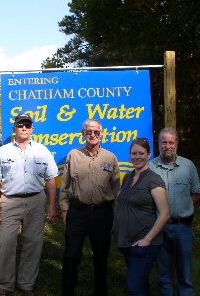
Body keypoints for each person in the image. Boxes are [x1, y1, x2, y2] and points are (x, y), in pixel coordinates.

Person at [0, 113, 58, 296]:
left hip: (36, 200)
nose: (24, 128)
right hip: (10, 202)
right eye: (20, 125)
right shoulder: (3, 152)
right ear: (14, 129)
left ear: (32, 128)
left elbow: (51, 180)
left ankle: (26, 285)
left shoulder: (42, 151)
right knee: (6, 245)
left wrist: (52, 206)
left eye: (27, 125)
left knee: (33, 244)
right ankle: (5, 285)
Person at [60, 119, 121, 296]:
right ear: (83, 133)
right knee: (71, 257)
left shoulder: (110, 158)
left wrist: (115, 217)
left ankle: (100, 292)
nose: (92, 134)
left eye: (96, 131)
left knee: (101, 258)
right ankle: (68, 291)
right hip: (77, 212)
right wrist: (64, 208)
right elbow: (65, 185)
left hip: (102, 214)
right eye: (89, 131)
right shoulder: (73, 155)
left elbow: (116, 190)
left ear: (101, 133)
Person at [148, 127, 200, 296]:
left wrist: (184, 209)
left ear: (177, 144)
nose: (168, 146)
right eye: (164, 142)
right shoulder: (149, 168)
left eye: (171, 142)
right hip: (158, 229)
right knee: (163, 275)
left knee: (184, 275)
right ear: (158, 144)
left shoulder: (188, 166)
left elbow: (196, 192)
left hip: (182, 228)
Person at [114, 138, 170, 296]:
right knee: (141, 285)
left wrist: (147, 239)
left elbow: (165, 213)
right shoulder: (128, 177)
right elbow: (123, 204)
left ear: (149, 155)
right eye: (134, 153)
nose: (137, 157)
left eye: (141, 153)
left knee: (134, 287)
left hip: (144, 243)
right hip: (127, 242)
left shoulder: (153, 179)